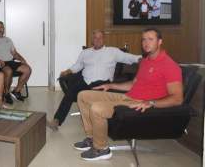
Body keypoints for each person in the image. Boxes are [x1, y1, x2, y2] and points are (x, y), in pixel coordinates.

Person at [74, 28, 183, 161]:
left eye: (150, 39)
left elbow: (177, 98)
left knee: (97, 108)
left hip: (139, 103)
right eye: (144, 39)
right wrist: (111, 85)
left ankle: (101, 148)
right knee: (83, 95)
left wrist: (152, 103)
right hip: (128, 96)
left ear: (160, 42)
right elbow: (133, 84)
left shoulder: (169, 65)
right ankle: (91, 138)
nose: (146, 43)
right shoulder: (145, 61)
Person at [47, 30, 141, 131]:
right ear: (92, 40)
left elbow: (130, 58)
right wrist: (68, 71)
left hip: (102, 83)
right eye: (95, 38)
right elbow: (78, 65)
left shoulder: (113, 51)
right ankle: (56, 121)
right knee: (69, 94)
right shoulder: (85, 52)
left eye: (100, 37)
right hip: (85, 81)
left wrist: (144, 59)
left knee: (93, 101)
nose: (98, 40)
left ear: (104, 39)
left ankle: (95, 124)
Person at [0, 21, 31, 104]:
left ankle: (16, 91)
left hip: (10, 62)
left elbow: (14, 53)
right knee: (8, 71)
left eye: (1, 27)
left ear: (4, 29)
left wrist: (22, 60)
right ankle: (6, 93)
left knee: (27, 69)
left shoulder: (8, 40)